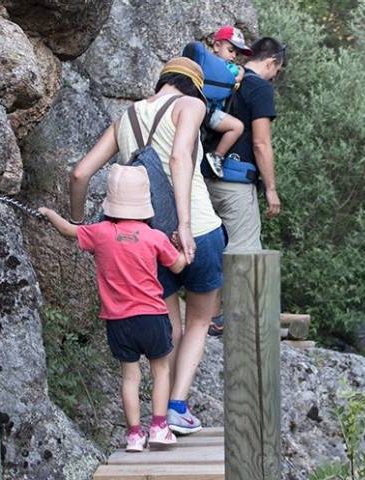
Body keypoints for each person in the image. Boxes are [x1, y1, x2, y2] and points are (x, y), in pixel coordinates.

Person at [69, 57, 225, 435]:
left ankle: (158, 418)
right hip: (200, 231)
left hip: (145, 240)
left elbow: (79, 173)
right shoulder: (192, 105)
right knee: (200, 320)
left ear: (162, 81)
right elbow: (178, 156)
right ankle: (176, 406)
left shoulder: (126, 118)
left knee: (168, 323)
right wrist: (185, 226)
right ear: (195, 87)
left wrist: (78, 225)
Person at [39, 164, 186, 451]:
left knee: (130, 377)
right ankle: (158, 428)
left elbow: (70, 230)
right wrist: (179, 246)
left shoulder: (100, 233)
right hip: (152, 316)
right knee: (161, 372)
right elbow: (178, 265)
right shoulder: (154, 237)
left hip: (118, 320)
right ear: (144, 203)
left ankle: (133, 435)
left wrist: (49, 214)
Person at [204, 36, 286, 336]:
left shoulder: (226, 79)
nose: (275, 76)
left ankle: (211, 316)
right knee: (244, 251)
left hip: (206, 177)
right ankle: (239, 323)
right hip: (236, 182)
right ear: (270, 62)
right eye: (277, 70)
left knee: (215, 248)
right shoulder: (258, 88)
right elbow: (261, 143)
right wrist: (271, 188)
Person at [182, 25, 253, 177]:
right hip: (209, 113)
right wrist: (241, 74)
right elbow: (235, 76)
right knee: (237, 127)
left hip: (198, 112)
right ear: (216, 45)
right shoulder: (228, 69)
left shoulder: (203, 62)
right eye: (231, 50)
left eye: (237, 53)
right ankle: (218, 156)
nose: (234, 56)